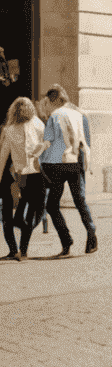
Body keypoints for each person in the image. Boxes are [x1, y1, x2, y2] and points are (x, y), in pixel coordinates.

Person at [38, 87, 97, 256]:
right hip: (76, 162)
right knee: (80, 200)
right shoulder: (80, 114)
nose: (48, 105)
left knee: (52, 205)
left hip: (58, 163)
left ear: (54, 99)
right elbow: (86, 140)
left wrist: (40, 160)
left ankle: (66, 240)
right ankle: (91, 232)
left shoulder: (54, 116)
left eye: (49, 101)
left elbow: (48, 142)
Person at [0, 96, 46, 260]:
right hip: (35, 174)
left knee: (22, 214)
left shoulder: (9, 129)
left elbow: (3, 157)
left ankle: (18, 248)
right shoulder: (39, 124)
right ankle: (23, 250)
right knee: (35, 212)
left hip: (22, 176)